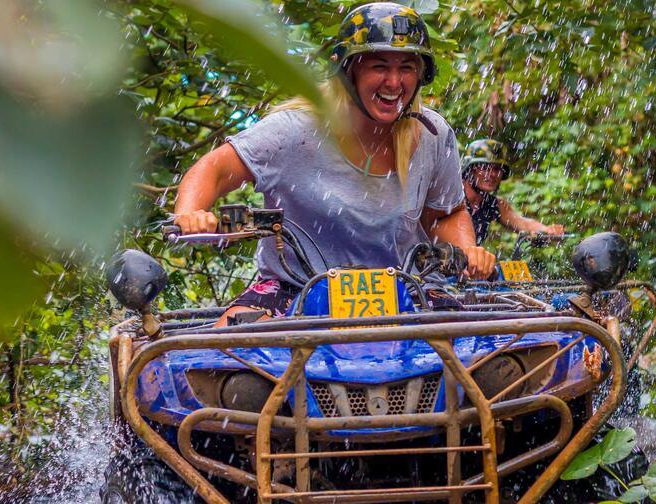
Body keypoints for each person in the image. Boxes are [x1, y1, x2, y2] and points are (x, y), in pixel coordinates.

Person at [171, 2, 495, 325]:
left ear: (422, 75)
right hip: (293, 287)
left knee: (479, 346)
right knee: (226, 346)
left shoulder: (433, 135)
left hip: (409, 287)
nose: (394, 82)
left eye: (407, 67)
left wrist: (468, 249)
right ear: (349, 70)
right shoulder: (293, 130)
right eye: (379, 66)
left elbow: (446, 214)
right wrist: (191, 213)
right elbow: (213, 169)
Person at [461, 138, 565, 244]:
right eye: (485, 168)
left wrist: (547, 230)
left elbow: (522, 223)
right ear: (470, 169)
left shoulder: (492, 204)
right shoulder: (453, 198)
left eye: (497, 169)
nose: (492, 174)